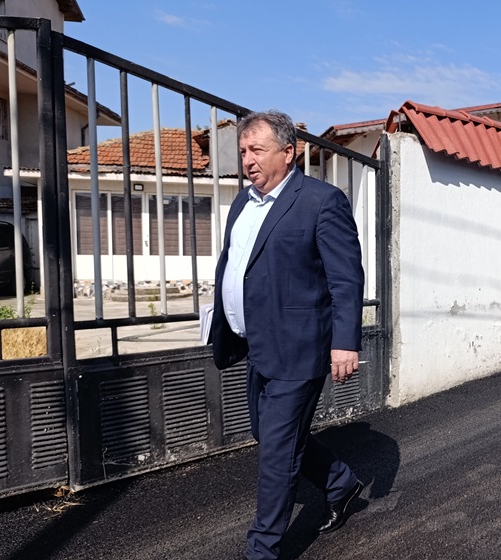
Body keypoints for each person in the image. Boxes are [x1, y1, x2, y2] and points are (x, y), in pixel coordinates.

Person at [210, 109, 365, 560]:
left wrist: (345, 342)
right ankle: (341, 483)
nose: (248, 160)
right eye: (243, 151)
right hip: (257, 344)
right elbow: (238, 265)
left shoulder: (321, 201)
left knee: (277, 454)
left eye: (257, 150)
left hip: (300, 347)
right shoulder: (243, 203)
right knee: (270, 433)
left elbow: (345, 279)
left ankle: (262, 551)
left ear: (288, 152)